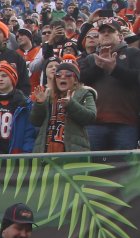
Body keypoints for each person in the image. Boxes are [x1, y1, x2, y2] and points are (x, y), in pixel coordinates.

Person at [79, 17, 140, 151]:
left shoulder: (134, 54)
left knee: (123, 166)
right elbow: (81, 80)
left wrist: (114, 70)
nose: (105, 34)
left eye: (110, 31)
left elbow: (137, 78)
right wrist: (99, 66)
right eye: (102, 32)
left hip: (126, 122)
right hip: (95, 123)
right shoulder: (90, 58)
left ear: (120, 36)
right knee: (95, 166)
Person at [30, 61, 97, 153]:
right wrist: (40, 103)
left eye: (68, 74)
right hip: (45, 150)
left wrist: (71, 104)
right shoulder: (48, 95)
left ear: (76, 80)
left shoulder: (84, 94)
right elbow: (35, 121)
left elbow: (91, 117)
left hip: (72, 152)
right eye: (58, 75)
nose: (62, 77)